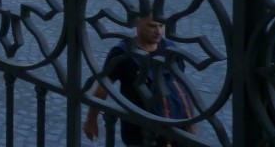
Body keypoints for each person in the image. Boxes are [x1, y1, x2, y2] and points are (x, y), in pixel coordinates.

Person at [83, 12, 196, 146]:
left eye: (161, 25)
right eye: (152, 26)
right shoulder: (122, 52)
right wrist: (91, 120)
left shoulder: (170, 49)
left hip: (173, 129)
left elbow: (183, 87)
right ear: (138, 23)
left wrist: (190, 120)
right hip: (137, 131)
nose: (158, 31)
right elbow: (102, 89)